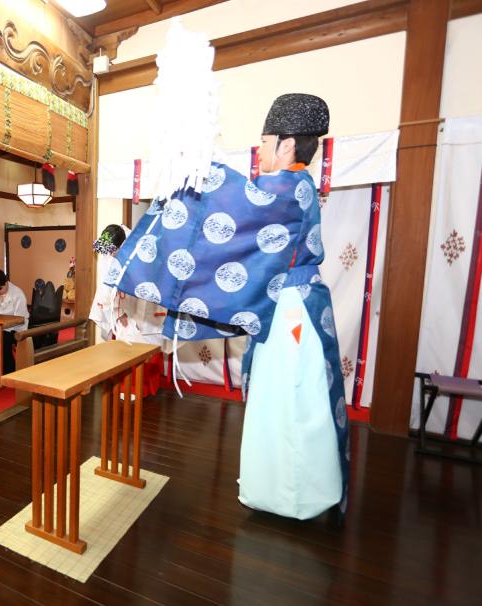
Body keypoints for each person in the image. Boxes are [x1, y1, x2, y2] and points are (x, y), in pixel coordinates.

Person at [107, 94, 349, 520]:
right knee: (291, 402)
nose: (260, 151)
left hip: (290, 311)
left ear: (287, 145)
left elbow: (237, 206)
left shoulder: (289, 187)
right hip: (294, 305)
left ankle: (290, 497)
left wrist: (198, 165)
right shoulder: (298, 187)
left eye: (265, 141)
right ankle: (292, 492)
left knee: (288, 405)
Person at [89, 224, 165, 396]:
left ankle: (141, 389)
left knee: (144, 345)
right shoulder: (110, 256)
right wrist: (117, 310)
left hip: (141, 307)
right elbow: (106, 286)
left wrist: (134, 315)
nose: (110, 254)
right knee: (124, 348)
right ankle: (125, 388)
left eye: (113, 250)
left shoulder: (139, 253)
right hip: (121, 309)